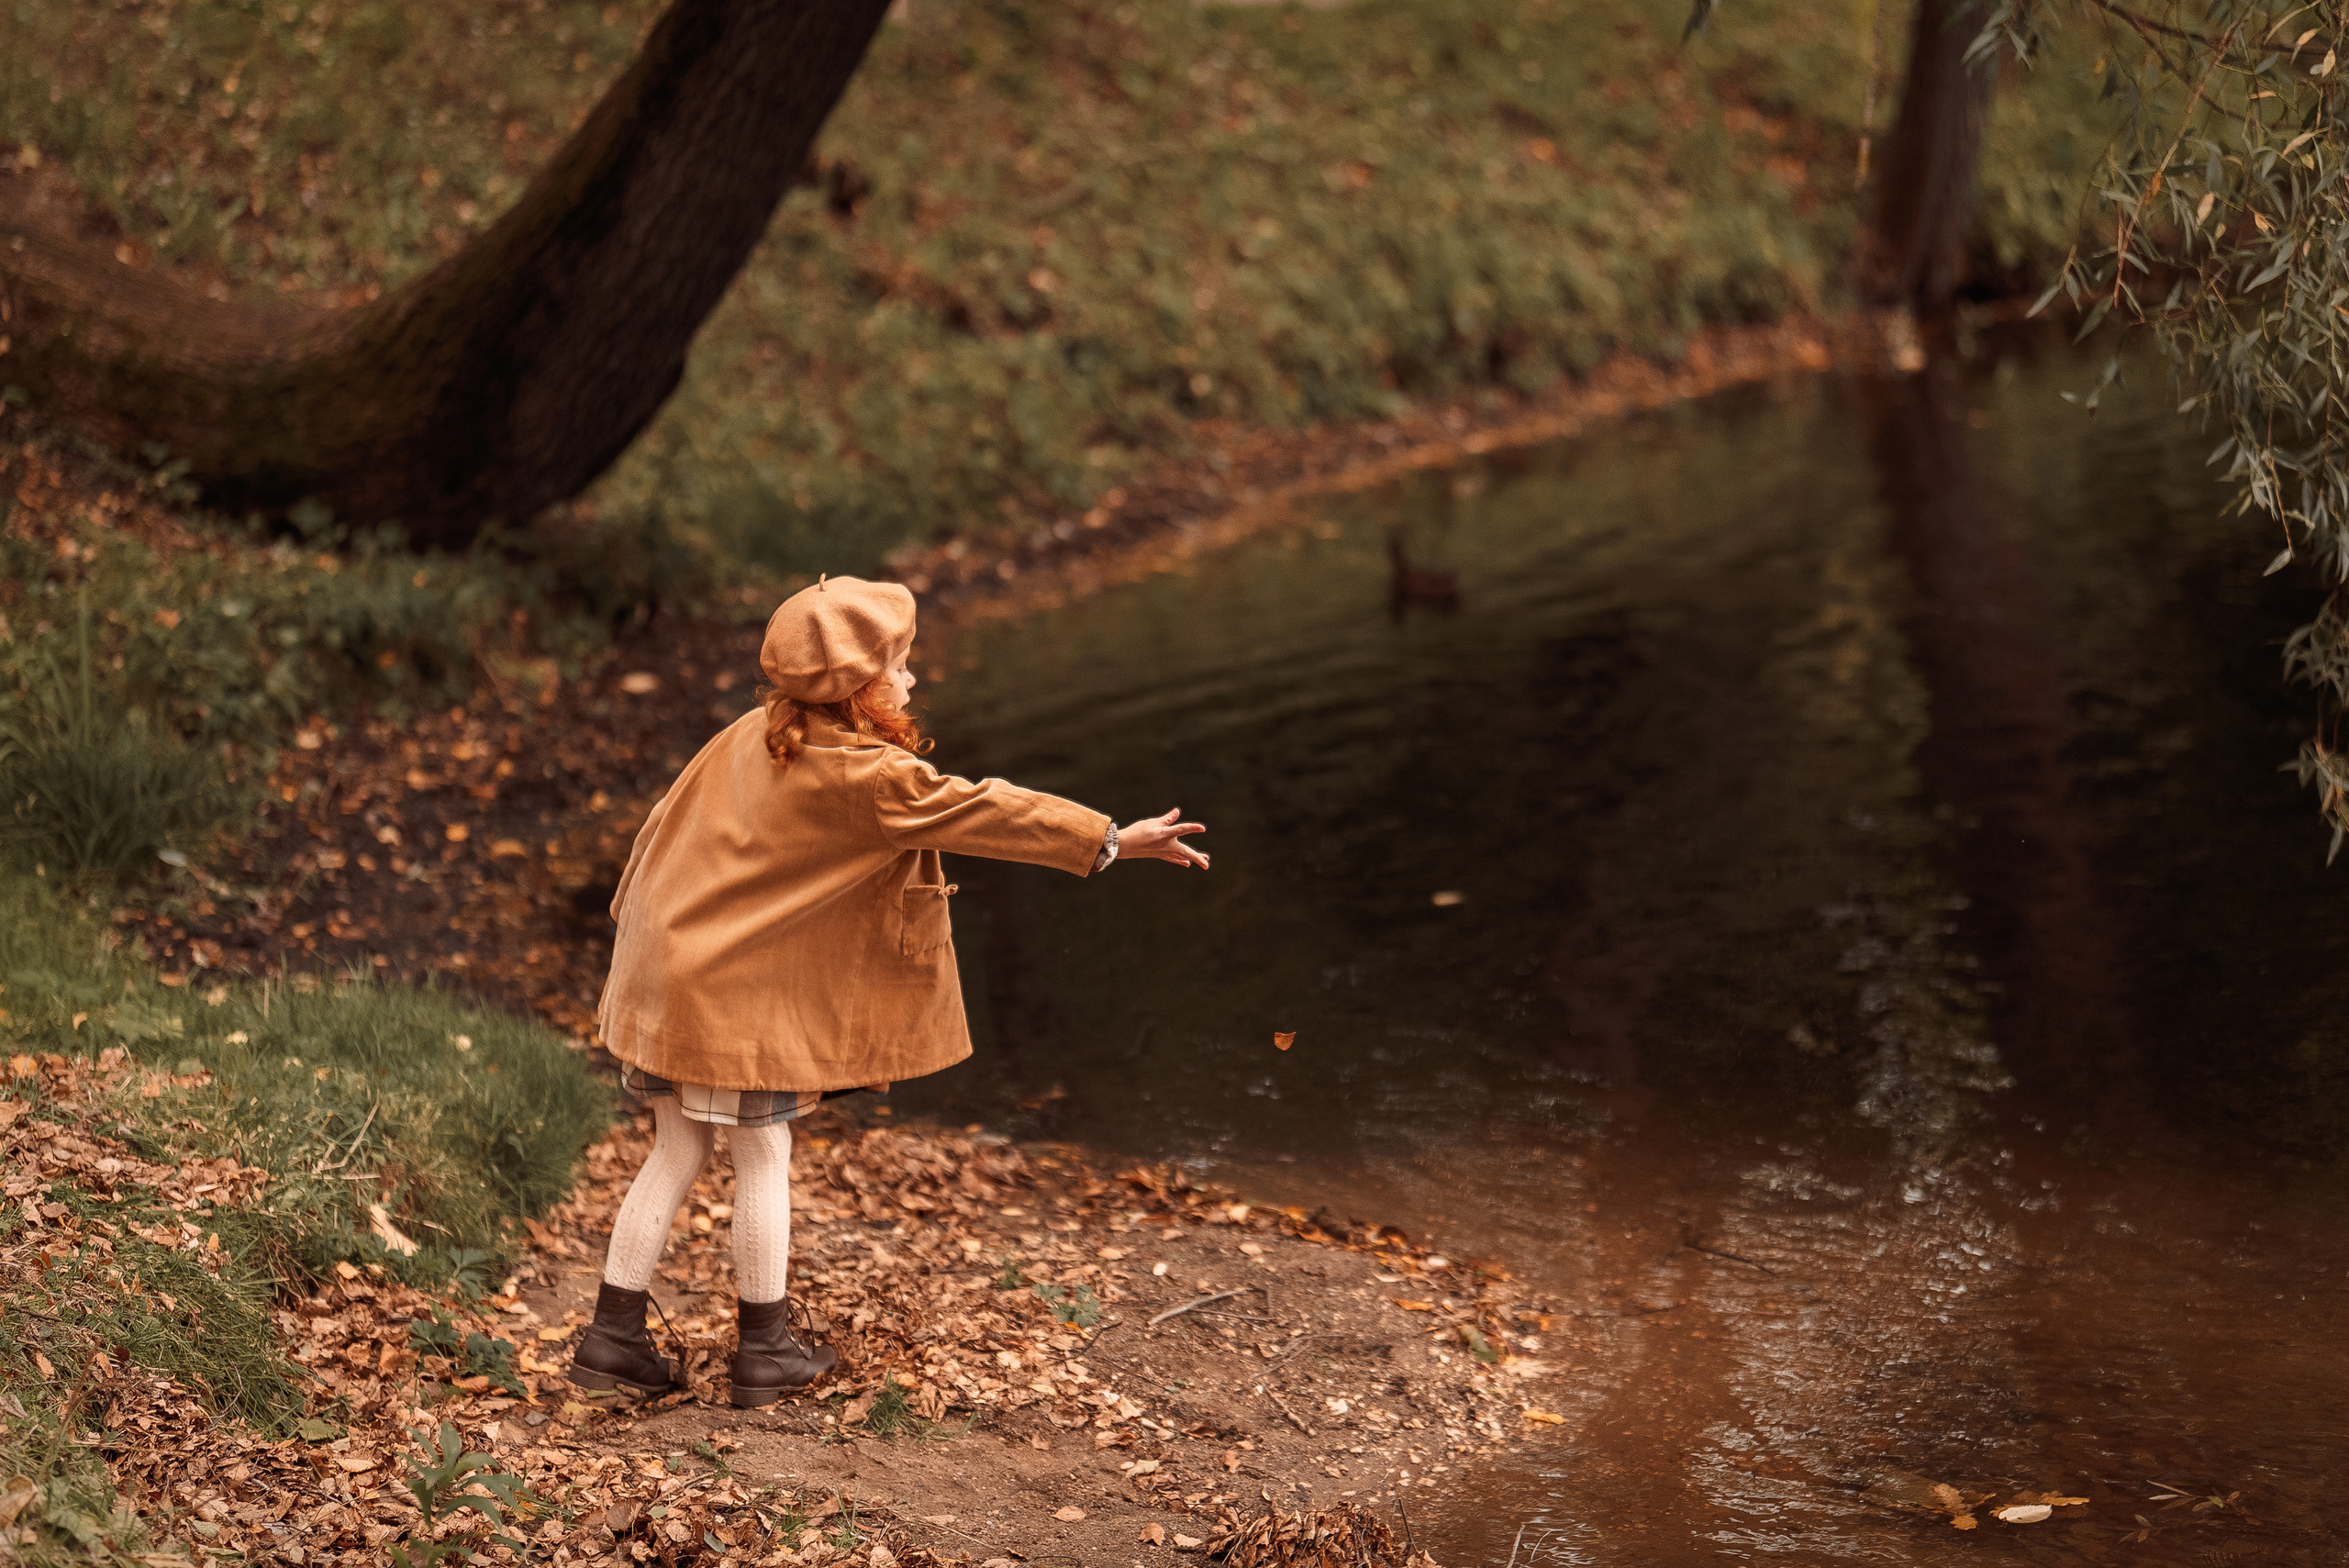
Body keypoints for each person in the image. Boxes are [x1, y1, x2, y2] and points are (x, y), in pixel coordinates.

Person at [571, 575, 1208, 1407]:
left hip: (667, 973)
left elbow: (658, 829)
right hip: (723, 988)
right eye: (898, 667)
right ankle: (764, 1349)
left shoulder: (748, 734)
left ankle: (612, 1338)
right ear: (856, 690)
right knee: (762, 1153)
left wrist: (633, 946)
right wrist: (1113, 839)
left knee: (677, 1146)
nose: (910, 680)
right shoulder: (866, 774)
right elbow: (986, 811)